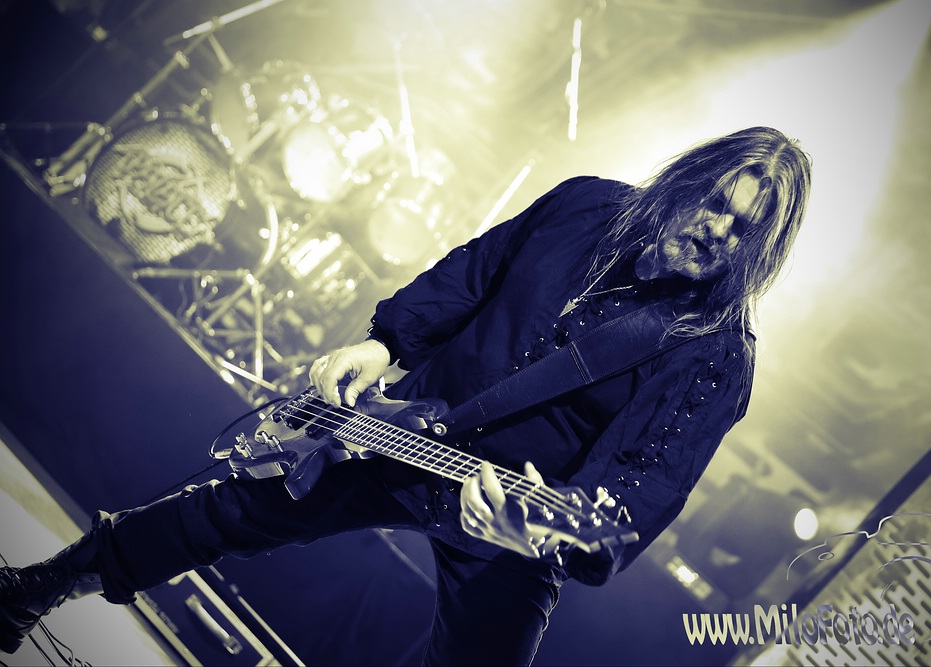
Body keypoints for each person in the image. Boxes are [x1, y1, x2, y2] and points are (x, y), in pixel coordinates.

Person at [0, 126, 811, 664]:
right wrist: (381, 343)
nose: (718, 229)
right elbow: (470, 274)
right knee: (230, 510)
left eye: (743, 230)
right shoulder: (585, 204)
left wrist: (542, 531)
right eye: (717, 202)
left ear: (757, 254)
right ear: (689, 180)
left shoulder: (714, 355)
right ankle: (39, 586)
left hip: (506, 517)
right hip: (404, 425)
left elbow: (638, 488)